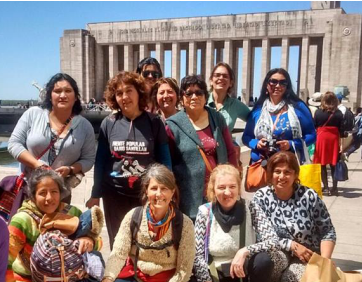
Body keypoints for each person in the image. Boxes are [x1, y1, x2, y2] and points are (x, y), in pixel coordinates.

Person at [86, 71, 172, 249]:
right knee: (119, 245)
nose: (124, 97)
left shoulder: (154, 122)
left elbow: (165, 161)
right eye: (119, 93)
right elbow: (101, 162)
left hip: (145, 196)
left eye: (129, 91)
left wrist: (168, 191)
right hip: (114, 196)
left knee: (145, 244)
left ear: (139, 92)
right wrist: (95, 194)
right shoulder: (109, 123)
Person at [99, 164, 195, 282]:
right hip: (137, 277)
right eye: (154, 188)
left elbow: (184, 269)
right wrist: (108, 278)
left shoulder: (184, 224)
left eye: (164, 189)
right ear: (146, 191)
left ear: (172, 192)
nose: (159, 194)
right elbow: (118, 253)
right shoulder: (133, 217)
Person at [7, 73, 96, 210]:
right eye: (57, 91)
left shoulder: (85, 126)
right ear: (49, 95)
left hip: (60, 193)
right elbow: (14, 144)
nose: (62, 95)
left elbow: (89, 159)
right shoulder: (33, 114)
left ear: (76, 96)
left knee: (56, 230)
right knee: (23, 228)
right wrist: (36, 164)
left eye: (68, 91)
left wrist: (70, 169)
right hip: (29, 189)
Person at [6, 167, 103, 282]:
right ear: (33, 196)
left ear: (60, 193)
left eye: (54, 191)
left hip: (68, 280)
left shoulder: (72, 213)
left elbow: (99, 242)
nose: (49, 198)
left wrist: (89, 240)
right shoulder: (23, 220)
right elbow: (4, 260)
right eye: (42, 193)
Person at [252, 151, 336, 282]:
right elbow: (261, 235)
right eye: (277, 171)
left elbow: (327, 231)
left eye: (287, 172)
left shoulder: (308, 196)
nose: (281, 177)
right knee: (267, 263)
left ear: (295, 174)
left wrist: (325, 262)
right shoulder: (261, 197)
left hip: (307, 254)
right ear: (270, 173)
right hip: (278, 250)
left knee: (291, 280)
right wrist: (291, 245)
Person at [188, 164, 278, 282]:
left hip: (244, 273)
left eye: (232, 187)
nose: (227, 192)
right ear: (213, 189)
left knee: (264, 260)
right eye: (221, 187)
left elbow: (273, 241)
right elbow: (198, 254)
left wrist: (245, 251)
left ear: (238, 188)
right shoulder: (205, 212)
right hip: (215, 275)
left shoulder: (251, 207)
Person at [166, 74, 238, 220]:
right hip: (189, 198)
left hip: (219, 193)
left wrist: (233, 180)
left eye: (199, 92)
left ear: (206, 96)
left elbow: (230, 151)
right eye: (189, 93)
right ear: (182, 98)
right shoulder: (172, 125)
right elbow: (168, 164)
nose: (194, 97)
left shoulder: (217, 118)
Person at [242, 68, 316, 165]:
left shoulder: (298, 108)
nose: (278, 85)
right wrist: (256, 143)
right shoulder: (258, 110)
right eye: (273, 81)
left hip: (287, 168)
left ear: (287, 86)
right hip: (260, 167)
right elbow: (246, 137)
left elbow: (312, 135)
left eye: (283, 83)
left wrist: (291, 144)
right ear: (266, 85)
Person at [208, 62, 251, 169]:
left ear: (231, 83)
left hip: (227, 157)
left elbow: (255, 120)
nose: (221, 78)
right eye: (217, 75)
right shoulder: (201, 101)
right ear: (211, 81)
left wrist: (251, 140)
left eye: (225, 76)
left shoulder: (236, 105)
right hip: (206, 156)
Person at [313, 92, 343, 196]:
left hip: (322, 138)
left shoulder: (318, 112)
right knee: (334, 164)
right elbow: (342, 130)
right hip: (334, 139)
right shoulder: (338, 113)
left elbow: (314, 126)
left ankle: (325, 187)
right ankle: (334, 188)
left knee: (322, 164)